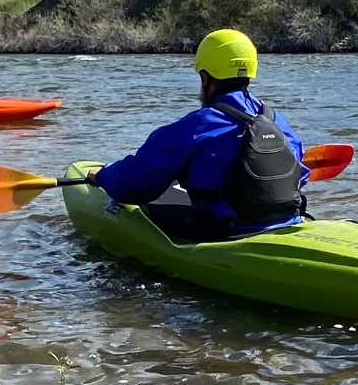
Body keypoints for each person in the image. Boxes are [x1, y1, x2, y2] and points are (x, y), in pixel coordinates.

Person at [89, 29, 308, 242]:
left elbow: (135, 183)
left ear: (205, 78)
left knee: (158, 197)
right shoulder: (276, 121)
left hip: (224, 232)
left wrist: (104, 176)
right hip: (286, 220)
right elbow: (301, 174)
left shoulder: (196, 127)